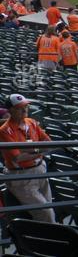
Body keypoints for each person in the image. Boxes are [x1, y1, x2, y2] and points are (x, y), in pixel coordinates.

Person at [0, 94, 54, 222]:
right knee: (46, 214)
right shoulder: (4, 130)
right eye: (20, 108)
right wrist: (39, 150)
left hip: (40, 170)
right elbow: (18, 158)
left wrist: (29, 149)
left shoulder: (32, 122)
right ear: (11, 110)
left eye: (26, 106)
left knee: (49, 207)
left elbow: (49, 143)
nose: (25, 110)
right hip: (21, 176)